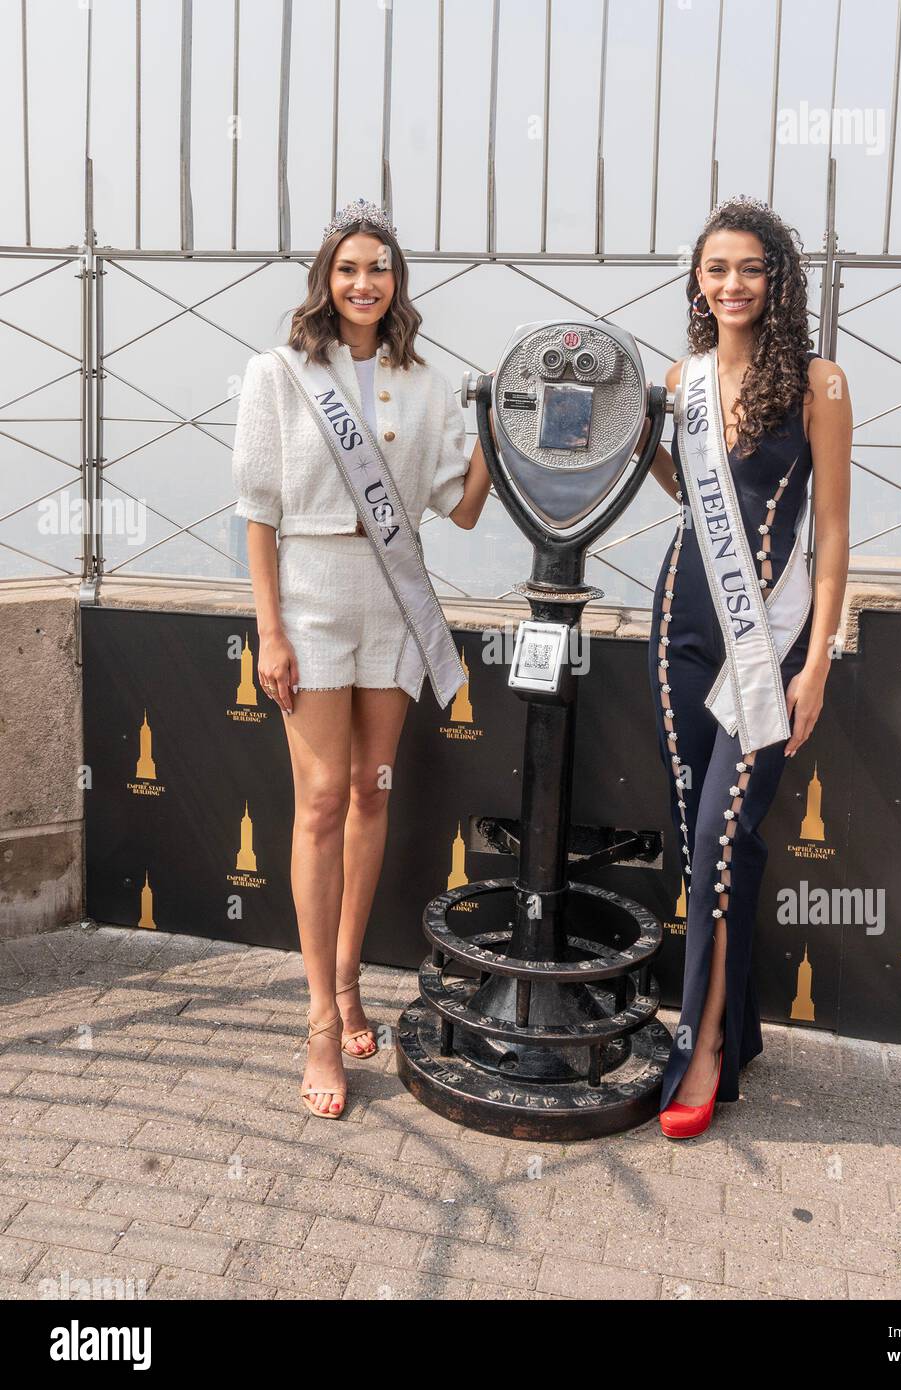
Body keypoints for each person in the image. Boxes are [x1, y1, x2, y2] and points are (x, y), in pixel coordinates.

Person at [231, 198, 491, 1119]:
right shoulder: (280, 374)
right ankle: (314, 1019)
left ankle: (348, 985)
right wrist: (269, 631)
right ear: (325, 278)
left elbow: (460, 508)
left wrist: (493, 425)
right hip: (309, 598)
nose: (364, 282)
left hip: (392, 601)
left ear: (396, 279)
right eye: (348, 268)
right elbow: (257, 514)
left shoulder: (428, 380)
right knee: (320, 800)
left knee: (373, 790)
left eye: (378, 267)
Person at [645, 195, 851, 1139]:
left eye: (751, 269)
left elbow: (838, 531)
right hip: (681, 622)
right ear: (699, 279)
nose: (733, 284)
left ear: (779, 280)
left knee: (720, 847)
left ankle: (702, 1050)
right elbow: (686, 490)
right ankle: (740, 1026)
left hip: (767, 635)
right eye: (717, 268)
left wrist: (818, 664)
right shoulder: (681, 376)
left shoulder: (821, 382)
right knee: (709, 839)